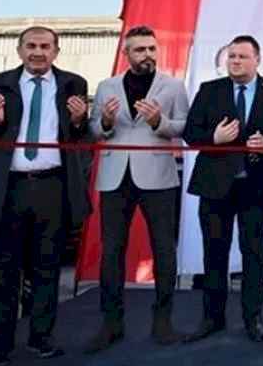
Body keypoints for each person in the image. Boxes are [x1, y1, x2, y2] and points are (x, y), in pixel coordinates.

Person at [0, 26, 91, 365]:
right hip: (8, 188)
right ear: (20, 50)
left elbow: (80, 138)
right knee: (3, 269)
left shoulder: (73, 84)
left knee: (47, 268)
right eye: (31, 46)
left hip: (53, 186)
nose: (38, 52)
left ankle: (41, 337)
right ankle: (0, 344)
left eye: (45, 46)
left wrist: (80, 121)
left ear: (56, 51)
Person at [84, 26, 189, 353]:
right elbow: (94, 129)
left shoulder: (173, 86)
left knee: (164, 249)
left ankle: (163, 321)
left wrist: (159, 122)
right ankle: (111, 323)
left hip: (158, 175)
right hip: (115, 177)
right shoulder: (107, 86)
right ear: (126, 53)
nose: (147, 55)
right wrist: (105, 122)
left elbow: (185, 126)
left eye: (151, 49)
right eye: (140, 49)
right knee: (112, 251)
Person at [182, 35, 263, 344]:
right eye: (232, 56)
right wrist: (214, 139)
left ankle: (253, 319)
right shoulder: (209, 90)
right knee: (214, 253)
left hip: (255, 186)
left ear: (257, 60)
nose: (235, 61)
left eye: (242, 56)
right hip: (214, 186)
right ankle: (212, 318)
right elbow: (190, 133)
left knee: (253, 254)